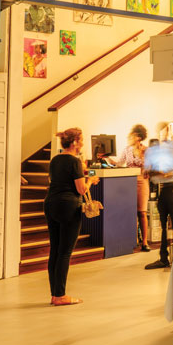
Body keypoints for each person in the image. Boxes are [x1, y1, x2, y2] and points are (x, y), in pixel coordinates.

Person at [45, 128, 99, 306]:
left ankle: (55, 294)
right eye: (81, 139)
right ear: (75, 142)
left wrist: (85, 173)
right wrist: (91, 181)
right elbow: (81, 189)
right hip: (68, 206)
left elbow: (54, 180)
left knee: (55, 250)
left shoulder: (55, 159)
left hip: (51, 204)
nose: (83, 143)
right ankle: (60, 296)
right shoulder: (74, 161)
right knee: (65, 252)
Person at [144, 122, 173, 269]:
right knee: (163, 225)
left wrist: (168, 173)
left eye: (164, 130)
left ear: (168, 130)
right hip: (162, 189)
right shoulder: (154, 150)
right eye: (159, 130)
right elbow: (148, 170)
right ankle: (163, 258)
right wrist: (151, 171)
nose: (161, 133)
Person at [116, 124, 151, 252]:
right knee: (130, 212)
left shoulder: (146, 150)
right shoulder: (127, 150)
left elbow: (149, 165)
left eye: (132, 136)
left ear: (139, 137)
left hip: (142, 181)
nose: (129, 138)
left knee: (142, 212)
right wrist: (106, 158)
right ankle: (134, 239)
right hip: (129, 181)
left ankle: (145, 241)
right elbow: (119, 164)